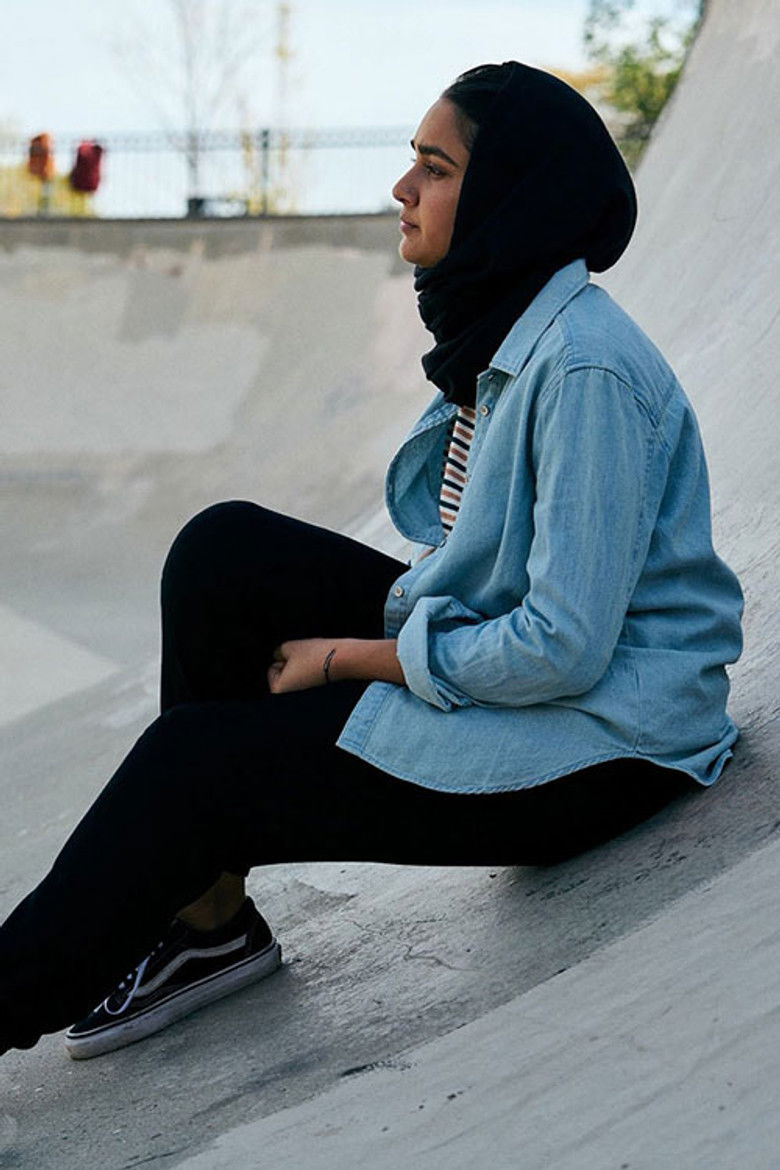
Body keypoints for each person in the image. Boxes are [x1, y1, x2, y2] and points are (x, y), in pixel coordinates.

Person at [0, 62, 743, 1060]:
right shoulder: (508, 324)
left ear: (509, 195)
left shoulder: (583, 368)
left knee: (195, 766)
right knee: (225, 551)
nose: (403, 189)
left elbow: (563, 649)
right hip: (519, 652)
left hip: (605, 742)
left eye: (435, 169)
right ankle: (208, 928)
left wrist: (350, 660)